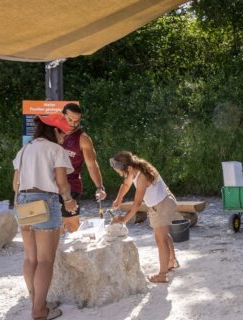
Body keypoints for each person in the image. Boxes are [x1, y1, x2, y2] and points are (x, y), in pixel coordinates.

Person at [12, 113, 78, 320]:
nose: (64, 137)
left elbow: (15, 185)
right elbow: (62, 183)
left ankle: (36, 302)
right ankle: (40, 310)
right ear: (54, 130)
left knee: (31, 259)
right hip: (45, 202)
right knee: (46, 260)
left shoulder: (24, 150)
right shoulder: (56, 150)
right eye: (62, 132)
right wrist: (68, 201)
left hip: (23, 202)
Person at [109, 151, 181, 283]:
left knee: (160, 240)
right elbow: (126, 184)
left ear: (128, 168)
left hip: (162, 205)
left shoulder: (141, 176)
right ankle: (171, 261)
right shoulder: (134, 169)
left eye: (120, 171)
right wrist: (119, 198)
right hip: (161, 203)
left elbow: (137, 203)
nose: (120, 174)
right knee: (163, 235)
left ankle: (163, 274)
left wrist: (124, 219)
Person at [59, 103, 107, 233]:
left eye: (77, 121)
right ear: (63, 116)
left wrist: (100, 187)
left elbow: (92, 165)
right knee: (53, 227)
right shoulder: (52, 133)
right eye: (70, 119)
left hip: (71, 186)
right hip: (49, 185)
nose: (73, 123)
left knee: (71, 225)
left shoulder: (83, 139)